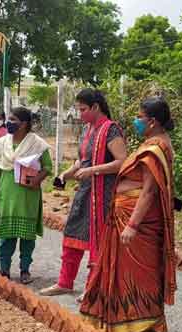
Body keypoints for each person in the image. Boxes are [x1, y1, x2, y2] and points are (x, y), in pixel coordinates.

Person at [80, 97, 177, 332]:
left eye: (140, 117)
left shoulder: (155, 149)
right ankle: (128, 324)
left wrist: (132, 224)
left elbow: (149, 191)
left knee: (140, 275)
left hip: (138, 222)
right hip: (128, 215)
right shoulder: (154, 143)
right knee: (125, 273)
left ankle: (151, 330)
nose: (137, 121)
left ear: (152, 121)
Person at [39, 89, 127, 297]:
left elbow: (123, 161)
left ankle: (93, 288)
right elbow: (83, 159)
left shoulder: (111, 130)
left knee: (99, 240)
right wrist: (68, 172)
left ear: (96, 107)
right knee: (73, 233)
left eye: (83, 109)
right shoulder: (89, 130)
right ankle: (64, 282)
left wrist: (91, 171)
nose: (80, 114)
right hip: (85, 193)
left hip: (103, 195)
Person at [0, 107, 52, 283]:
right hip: (7, 196)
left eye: (14, 120)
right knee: (6, 238)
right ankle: (4, 269)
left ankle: (25, 270)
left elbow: (47, 167)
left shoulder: (37, 144)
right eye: (9, 119)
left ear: (24, 124)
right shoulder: (2, 144)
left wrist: (36, 180)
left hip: (28, 197)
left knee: (27, 238)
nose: (9, 122)